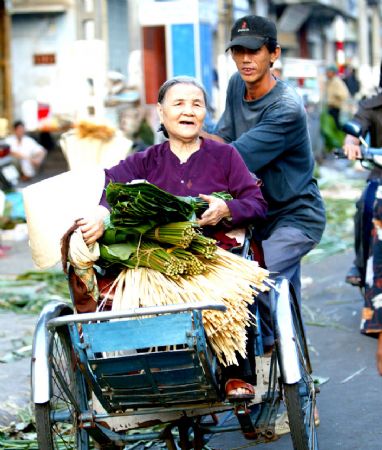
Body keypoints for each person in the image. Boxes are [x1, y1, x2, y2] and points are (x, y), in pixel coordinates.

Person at [78, 76, 268, 399]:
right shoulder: (145, 160)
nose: (188, 111)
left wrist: (225, 208)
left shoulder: (225, 157)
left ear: (205, 113)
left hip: (212, 257)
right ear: (161, 113)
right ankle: (144, 377)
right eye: (178, 104)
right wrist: (100, 213)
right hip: (155, 262)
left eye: (196, 104)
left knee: (228, 297)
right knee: (127, 303)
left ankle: (233, 373)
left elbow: (257, 204)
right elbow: (110, 187)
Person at [202, 15, 326, 307]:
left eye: (254, 51)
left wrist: (190, 131)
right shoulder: (237, 84)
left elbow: (232, 156)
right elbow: (222, 138)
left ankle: (275, 341)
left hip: (294, 216)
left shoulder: (286, 108)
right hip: (256, 215)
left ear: (274, 54)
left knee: (252, 283)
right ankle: (285, 346)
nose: (245, 59)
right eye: (238, 51)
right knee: (282, 304)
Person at [343, 62, 382, 375]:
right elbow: (357, 127)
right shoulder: (371, 107)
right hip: (380, 176)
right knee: (365, 206)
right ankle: (360, 262)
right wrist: (352, 143)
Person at [325, 65, 350, 129]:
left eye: (328, 72)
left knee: (336, 129)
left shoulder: (337, 81)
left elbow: (344, 94)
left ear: (333, 72)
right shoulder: (330, 81)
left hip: (336, 108)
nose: (326, 73)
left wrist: (336, 94)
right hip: (331, 108)